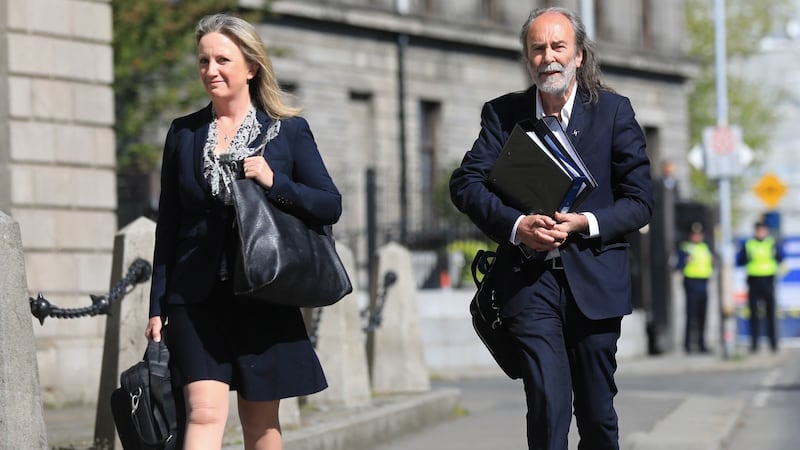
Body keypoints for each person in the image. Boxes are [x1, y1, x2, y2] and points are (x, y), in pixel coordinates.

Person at [450, 6, 652, 450]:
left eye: (558, 46)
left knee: (598, 416)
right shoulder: (503, 115)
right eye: (537, 49)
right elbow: (464, 183)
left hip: (596, 284)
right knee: (547, 404)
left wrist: (585, 223)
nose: (548, 57)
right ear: (527, 57)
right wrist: (518, 225)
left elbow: (640, 202)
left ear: (578, 55)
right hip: (529, 283)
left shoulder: (614, 112)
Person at [145, 13, 341, 450]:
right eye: (203, 61)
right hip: (195, 297)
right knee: (203, 413)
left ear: (251, 67)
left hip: (264, 292)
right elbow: (170, 227)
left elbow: (330, 204)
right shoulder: (183, 134)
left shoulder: (288, 131)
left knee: (261, 423)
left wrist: (277, 182)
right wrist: (157, 305)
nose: (210, 71)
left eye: (222, 60)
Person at [736, 221, 784, 353]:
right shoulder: (749, 244)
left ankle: (773, 344)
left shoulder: (772, 243)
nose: (761, 232)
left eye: (763, 230)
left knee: (770, 314)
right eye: (758, 230)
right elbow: (739, 260)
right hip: (753, 282)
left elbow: (781, 257)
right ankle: (754, 345)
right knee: (754, 315)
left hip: (768, 281)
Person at [676, 223, 713, 354]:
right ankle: (688, 345)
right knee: (690, 316)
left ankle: (702, 344)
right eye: (695, 234)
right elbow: (678, 265)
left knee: (703, 316)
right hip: (691, 284)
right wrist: (685, 261)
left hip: (704, 283)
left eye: (699, 234)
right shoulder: (685, 247)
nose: (697, 237)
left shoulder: (705, 247)